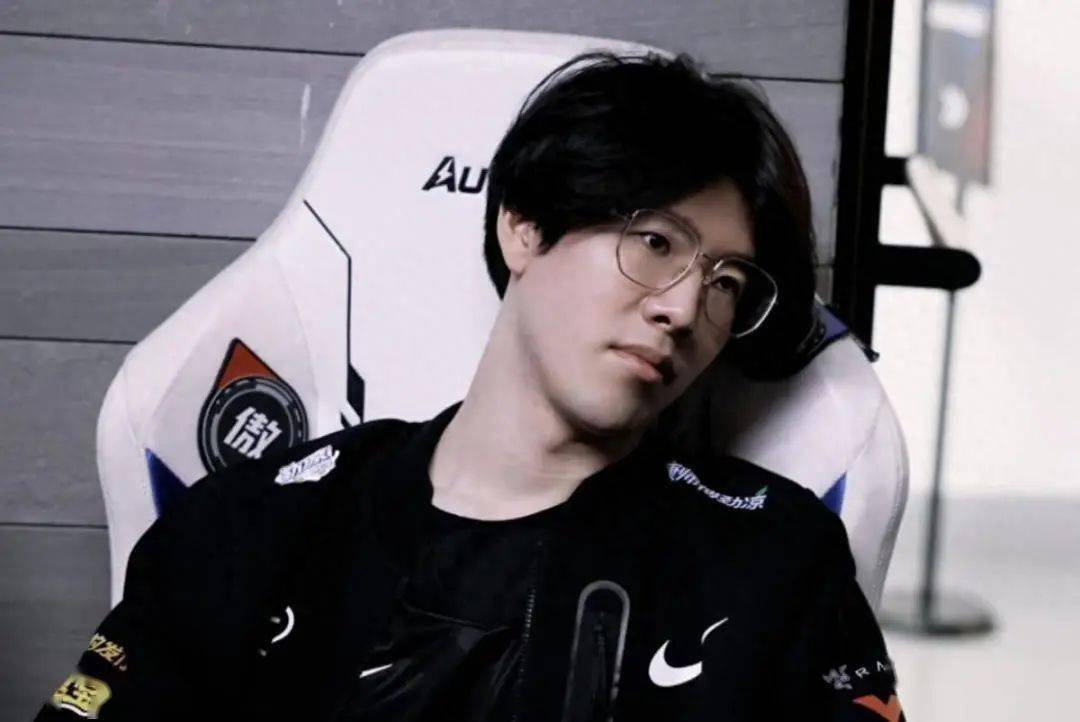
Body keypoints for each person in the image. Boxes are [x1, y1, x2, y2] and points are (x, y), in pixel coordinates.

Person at [37, 51, 904, 721]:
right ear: (523, 226)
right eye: (655, 243)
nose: (683, 308)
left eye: (726, 283)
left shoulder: (771, 563)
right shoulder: (259, 526)